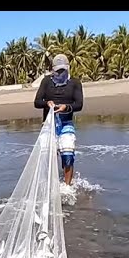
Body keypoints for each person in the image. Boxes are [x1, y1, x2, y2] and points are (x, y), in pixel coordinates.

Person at [33, 54, 84, 186]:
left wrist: (66, 107)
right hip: (49, 125)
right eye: (58, 70)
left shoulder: (75, 83)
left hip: (66, 124)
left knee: (67, 156)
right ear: (53, 70)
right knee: (47, 156)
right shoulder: (46, 81)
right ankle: (49, 184)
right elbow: (37, 102)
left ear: (67, 68)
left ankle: (67, 186)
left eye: (63, 70)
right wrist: (47, 103)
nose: (60, 72)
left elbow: (79, 105)